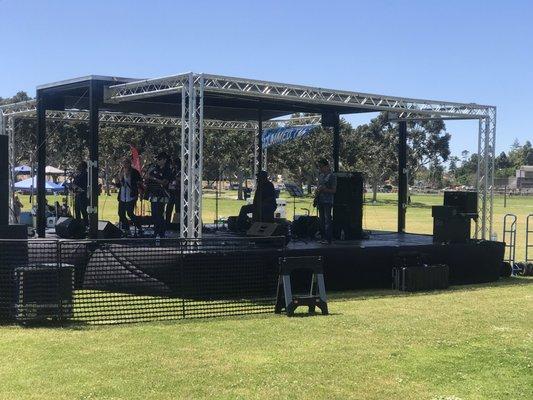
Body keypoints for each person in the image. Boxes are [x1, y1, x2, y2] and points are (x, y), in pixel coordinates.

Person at [145, 152, 172, 238]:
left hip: (162, 194)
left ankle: (161, 233)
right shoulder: (154, 168)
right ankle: (156, 231)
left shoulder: (167, 170)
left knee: (160, 214)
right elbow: (147, 178)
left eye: (159, 159)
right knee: (154, 214)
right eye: (157, 159)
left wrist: (153, 178)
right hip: (153, 194)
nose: (157, 160)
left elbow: (164, 182)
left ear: (164, 160)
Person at [114, 157, 143, 234]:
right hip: (122, 196)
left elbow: (139, 182)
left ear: (129, 163)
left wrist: (140, 192)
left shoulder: (134, 172)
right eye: (123, 163)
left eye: (126, 163)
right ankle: (127, 229)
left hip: (131, 195)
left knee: (130, 213)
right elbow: (119, 185)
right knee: (121, 213)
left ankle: (139, 227)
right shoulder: (120, 172)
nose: (124, 165)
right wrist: (117, 181)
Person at [315, 158, 337, 244]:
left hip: (328, 201)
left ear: (327, 166)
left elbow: (334, 191)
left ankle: (328, 239)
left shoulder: (332, 176)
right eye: (319, 167)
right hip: (320, 200)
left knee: (328, 220)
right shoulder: (320, 176)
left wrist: (325, 189)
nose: (320, 168)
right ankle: (323, 237)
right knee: (321, 220)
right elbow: (319, 187)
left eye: (321, 166)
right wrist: (317, 190)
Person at [71, 161, 88, 226]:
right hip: (77, 195)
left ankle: (86, 224)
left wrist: (74, 178)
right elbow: (75, 182)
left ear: (83, 167)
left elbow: (78, 182)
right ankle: (78, 225)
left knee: (83, 210)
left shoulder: (85, 174)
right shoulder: (79, 174)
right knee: (77, 210)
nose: (78, 167)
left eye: (79, 165)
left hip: (83, 195)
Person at [165, 158, 181, 227]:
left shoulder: (181, 171)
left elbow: (181, 179)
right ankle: (167, 223)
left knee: (178, 209)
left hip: (178, 192)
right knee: (168, 209)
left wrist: (175, 178)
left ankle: (178, 223)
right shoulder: (172, 170)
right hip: (171, 192)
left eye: (174, 163)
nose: (173, 165)